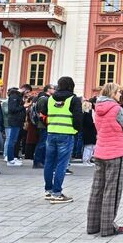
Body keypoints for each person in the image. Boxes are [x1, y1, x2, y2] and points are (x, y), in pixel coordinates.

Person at [87, 83, 123, 237]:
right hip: (114, 152)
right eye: (119, 92)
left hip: (100, 150)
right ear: (113, 93)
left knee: (97, 189)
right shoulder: (116, 109)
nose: (121, 94)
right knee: (111, 190)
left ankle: (92, 225)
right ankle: (107, 227)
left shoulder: (96, 107)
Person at [41, 76, 83, 204]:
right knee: (62, 164)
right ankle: (57, 192)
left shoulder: (50, 99)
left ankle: (48, 190)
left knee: (49, 162)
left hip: (52, 132)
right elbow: (78, 118)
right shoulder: (73, 99)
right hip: (66, 133)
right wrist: (76, 129)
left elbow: (43, 114)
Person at [6, 84, 32, 166]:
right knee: (12, 140)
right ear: (24, 89)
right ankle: (10, 159)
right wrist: (24, 106)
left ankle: (12, 158)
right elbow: (12, 109)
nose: (27, 94)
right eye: (27, 92)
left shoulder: (18, 96)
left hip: (18, 121)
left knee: (14, 140)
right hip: (15, 121)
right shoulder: (14, 95)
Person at [33, 84, 55, 168]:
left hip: (44, 124)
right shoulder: (44, 99)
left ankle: (41, 161)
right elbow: (42, 113)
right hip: (43, 124)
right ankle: (38, 161)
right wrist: (46, 121)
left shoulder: (46, 98)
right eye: (53, 89)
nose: (55, 90)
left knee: (44, 143)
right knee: (42, 143)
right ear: (48, 89)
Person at [82, 100, 97, 166]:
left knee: (91, 147)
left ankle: (88, 160)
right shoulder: (86, 114)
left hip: (90, 132)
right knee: (88, 147)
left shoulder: (86, 114)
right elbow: (89, 123)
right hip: (89, 132)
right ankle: (86, 160)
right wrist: (94, 124)